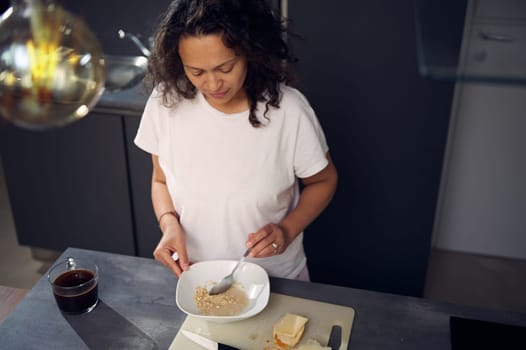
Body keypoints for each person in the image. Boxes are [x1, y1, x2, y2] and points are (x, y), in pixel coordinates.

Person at [134, 0, 337, 281]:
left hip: (276, 277)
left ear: (249, 53)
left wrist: (287, 230)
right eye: (197, 72)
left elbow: (323, 180)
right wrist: (169, 224)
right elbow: (160, 180)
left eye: (225, 67)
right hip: (195, 276)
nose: (213, 84)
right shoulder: (165, 102)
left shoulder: (289, 111)